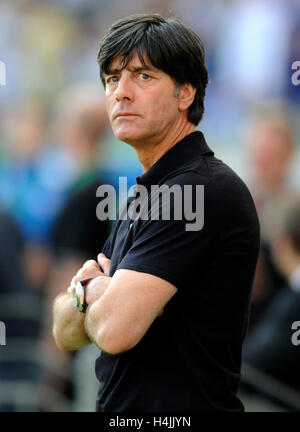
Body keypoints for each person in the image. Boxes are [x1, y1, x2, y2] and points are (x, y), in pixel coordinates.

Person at [52, 13, 260, 412]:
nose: (121, 93)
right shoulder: (147, 193)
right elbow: (64, 333)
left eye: (143, 76)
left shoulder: (198, 190)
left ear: (185, 93)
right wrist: (94, 297)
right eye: (112, 79)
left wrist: (91, 289)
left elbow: (113, 331)